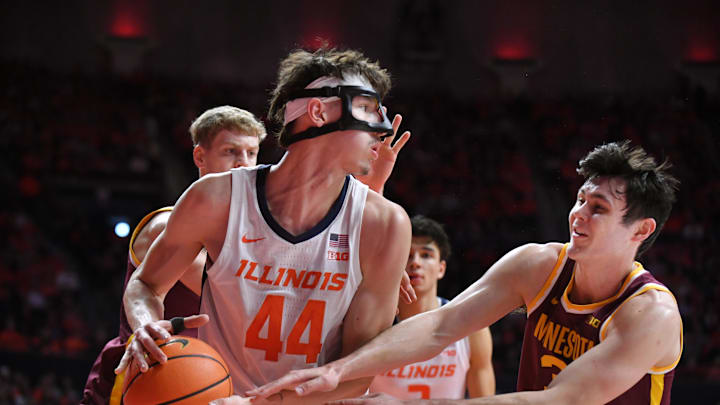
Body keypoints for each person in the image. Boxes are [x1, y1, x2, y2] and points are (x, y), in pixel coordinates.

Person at [250, 140, 683, 405]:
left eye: (599, 208)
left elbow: (563, 400)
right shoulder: (539, 265)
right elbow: (441, 324)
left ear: (640, 231)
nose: (578, 215)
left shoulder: (651, 315)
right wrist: (340, 370)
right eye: (580, 200)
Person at [115, 48, 414, 405]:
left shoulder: (386, 225)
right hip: (216, 396)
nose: (381, 127)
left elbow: (356, 373)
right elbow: (145, 284)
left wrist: (263, 403)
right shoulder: (216, 199)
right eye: (366, 108)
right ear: (318, 112)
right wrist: (146, 322)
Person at [81, 105, 268, 405]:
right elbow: (239, 293)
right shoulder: (168, 225)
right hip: (146, 378)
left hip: (203, 380)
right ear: (200, 157)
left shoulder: (246, 231)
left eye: (251, 153)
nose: (243, 164)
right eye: (230, 151)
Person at [368, 215, 495, 400]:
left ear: (441, 268)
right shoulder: (372, 323)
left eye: (426, 255)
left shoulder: (471, 325)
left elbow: (484, 401)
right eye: (407, 254)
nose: (415, 263)